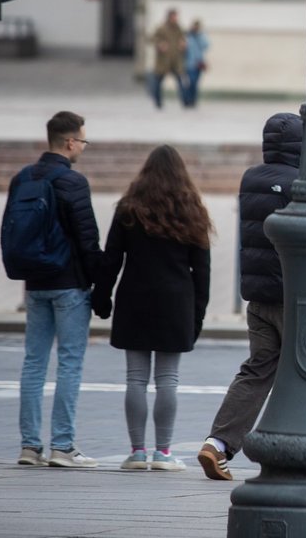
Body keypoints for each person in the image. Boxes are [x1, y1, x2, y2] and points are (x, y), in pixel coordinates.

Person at [93, 145, 212, 471]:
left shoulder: (129, 209)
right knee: (168, 380)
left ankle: (137, 451)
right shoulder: (192, 210)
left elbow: (112, 258)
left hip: (135, 298)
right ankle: (163, 453)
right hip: (176, 302)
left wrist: (101, 298)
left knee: (135, 379)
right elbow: (202, 272)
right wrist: (197, 315)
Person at [198, 112, 302, 481]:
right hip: (295, 297)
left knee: (257, 370)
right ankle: (293, 453)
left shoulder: (251, 177)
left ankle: (218, 443)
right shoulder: (302, 182)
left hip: (258, 297)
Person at [12, 111, 104, 468]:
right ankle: (62, 446)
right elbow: (87, 237)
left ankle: (29, 447)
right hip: (69, 284)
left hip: (34, 283)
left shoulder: (23, 178)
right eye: (82, 140)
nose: (82, 146)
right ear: (69, 142)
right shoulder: (72, 181)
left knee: (33, 363)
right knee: (69, 363)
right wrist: (99, 281)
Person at [149, 8, 187, 109]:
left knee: (180, 82)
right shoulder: (162, 28)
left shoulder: (179, 28)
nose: (176, 19)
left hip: (175, 60)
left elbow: (183, 39)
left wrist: (183, 43)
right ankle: (158, 102)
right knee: (157, 83)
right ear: (170, 17)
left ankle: (185, 102)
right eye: (174, 17)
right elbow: (152, 38)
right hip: (163, 61)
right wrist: (160, 44)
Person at [182, 19, 210, 107]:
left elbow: (206, 45)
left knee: (195, 83)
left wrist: (199, 35)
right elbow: (183, 48)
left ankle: (193, 100)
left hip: (198, 64)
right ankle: (188, 99)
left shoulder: (201, 36)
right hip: (189, 63)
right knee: (191, 82)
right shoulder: (188, 36)